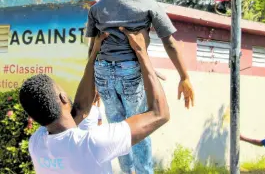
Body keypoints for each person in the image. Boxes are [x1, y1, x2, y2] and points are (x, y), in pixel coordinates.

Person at [85, 0, 195, 174]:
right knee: (140, 126)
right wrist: (185, 76)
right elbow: (170, 43)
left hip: (103, 73)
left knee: (117, 129)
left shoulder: (97, 8)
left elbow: (92, 48)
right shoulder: (148, 4)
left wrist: (93, 82)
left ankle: (127, 172)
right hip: (130, 73)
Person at [19, 29, 170, 174]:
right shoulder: (92, 143)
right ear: (63, 97)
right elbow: (160, 114)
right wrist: (141, 52)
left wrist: (94, 55)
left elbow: (81, 110)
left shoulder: (37, 143)